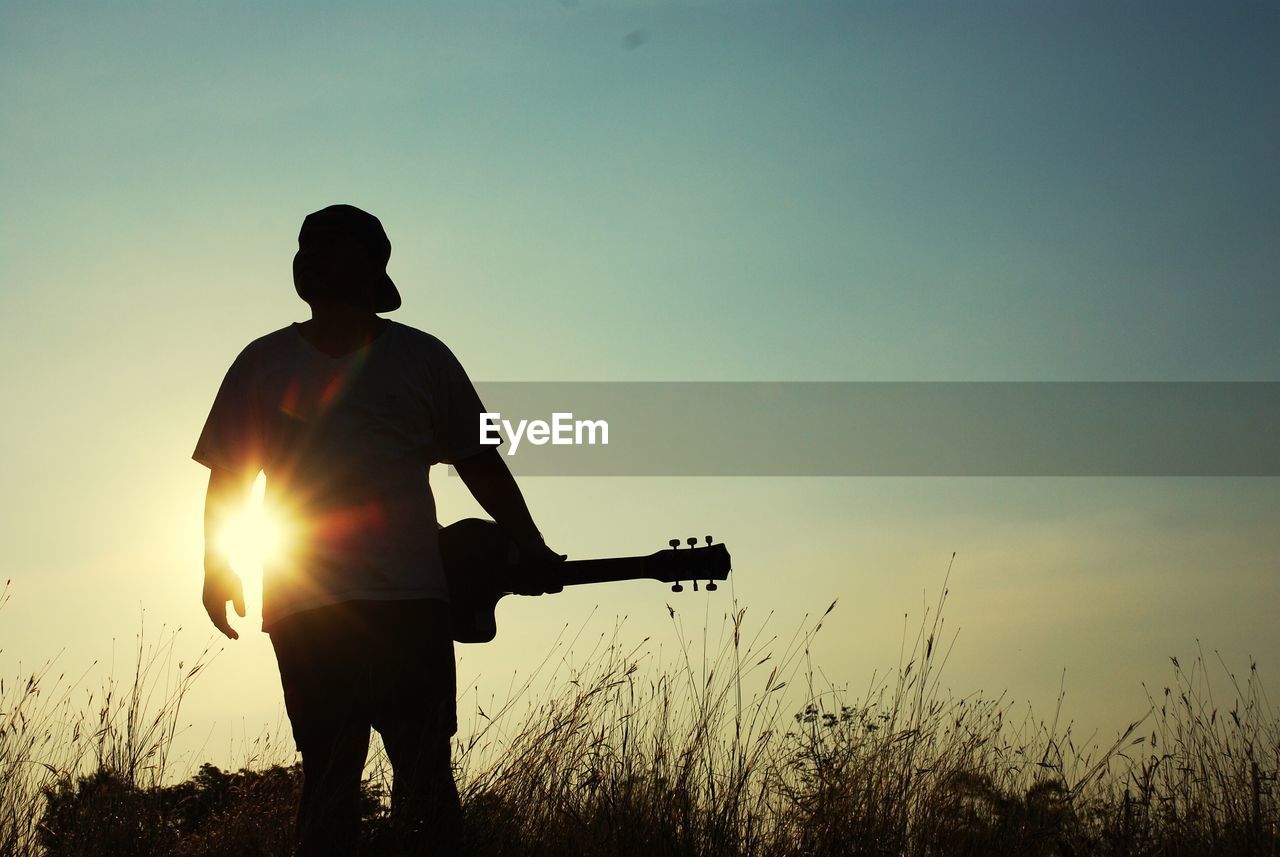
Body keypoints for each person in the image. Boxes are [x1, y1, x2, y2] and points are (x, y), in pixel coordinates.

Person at [193, 204, 563, 856]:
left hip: (412, 606)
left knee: (424, 785)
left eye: (335, 248)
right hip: (308, 609)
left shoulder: (423, 358)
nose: (318, 260)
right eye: (312, 249)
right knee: (331, 784)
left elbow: (479, 460)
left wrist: (529, 543)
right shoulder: (262, 362)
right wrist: (216, 565)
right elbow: (228, 476)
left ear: (370, 268)